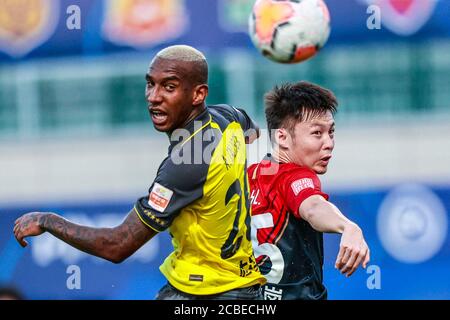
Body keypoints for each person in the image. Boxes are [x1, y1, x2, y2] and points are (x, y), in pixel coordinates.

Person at [13, 45, 266, 300]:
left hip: (206, 292)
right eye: (150, 84)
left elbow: (117, 246)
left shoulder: (183, 165)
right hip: (238, 283)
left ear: (198, 94)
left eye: (169, 87)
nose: (154, 97)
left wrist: (47, 221)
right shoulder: (230, 117)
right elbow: (253, 134)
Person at [248, 81, 370, 300]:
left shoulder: (249, 177)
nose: (329, 143)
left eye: (331, 132)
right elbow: (313, 207)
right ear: (282, 137)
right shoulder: (295, 176)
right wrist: (348, 226)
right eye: (317, 133)